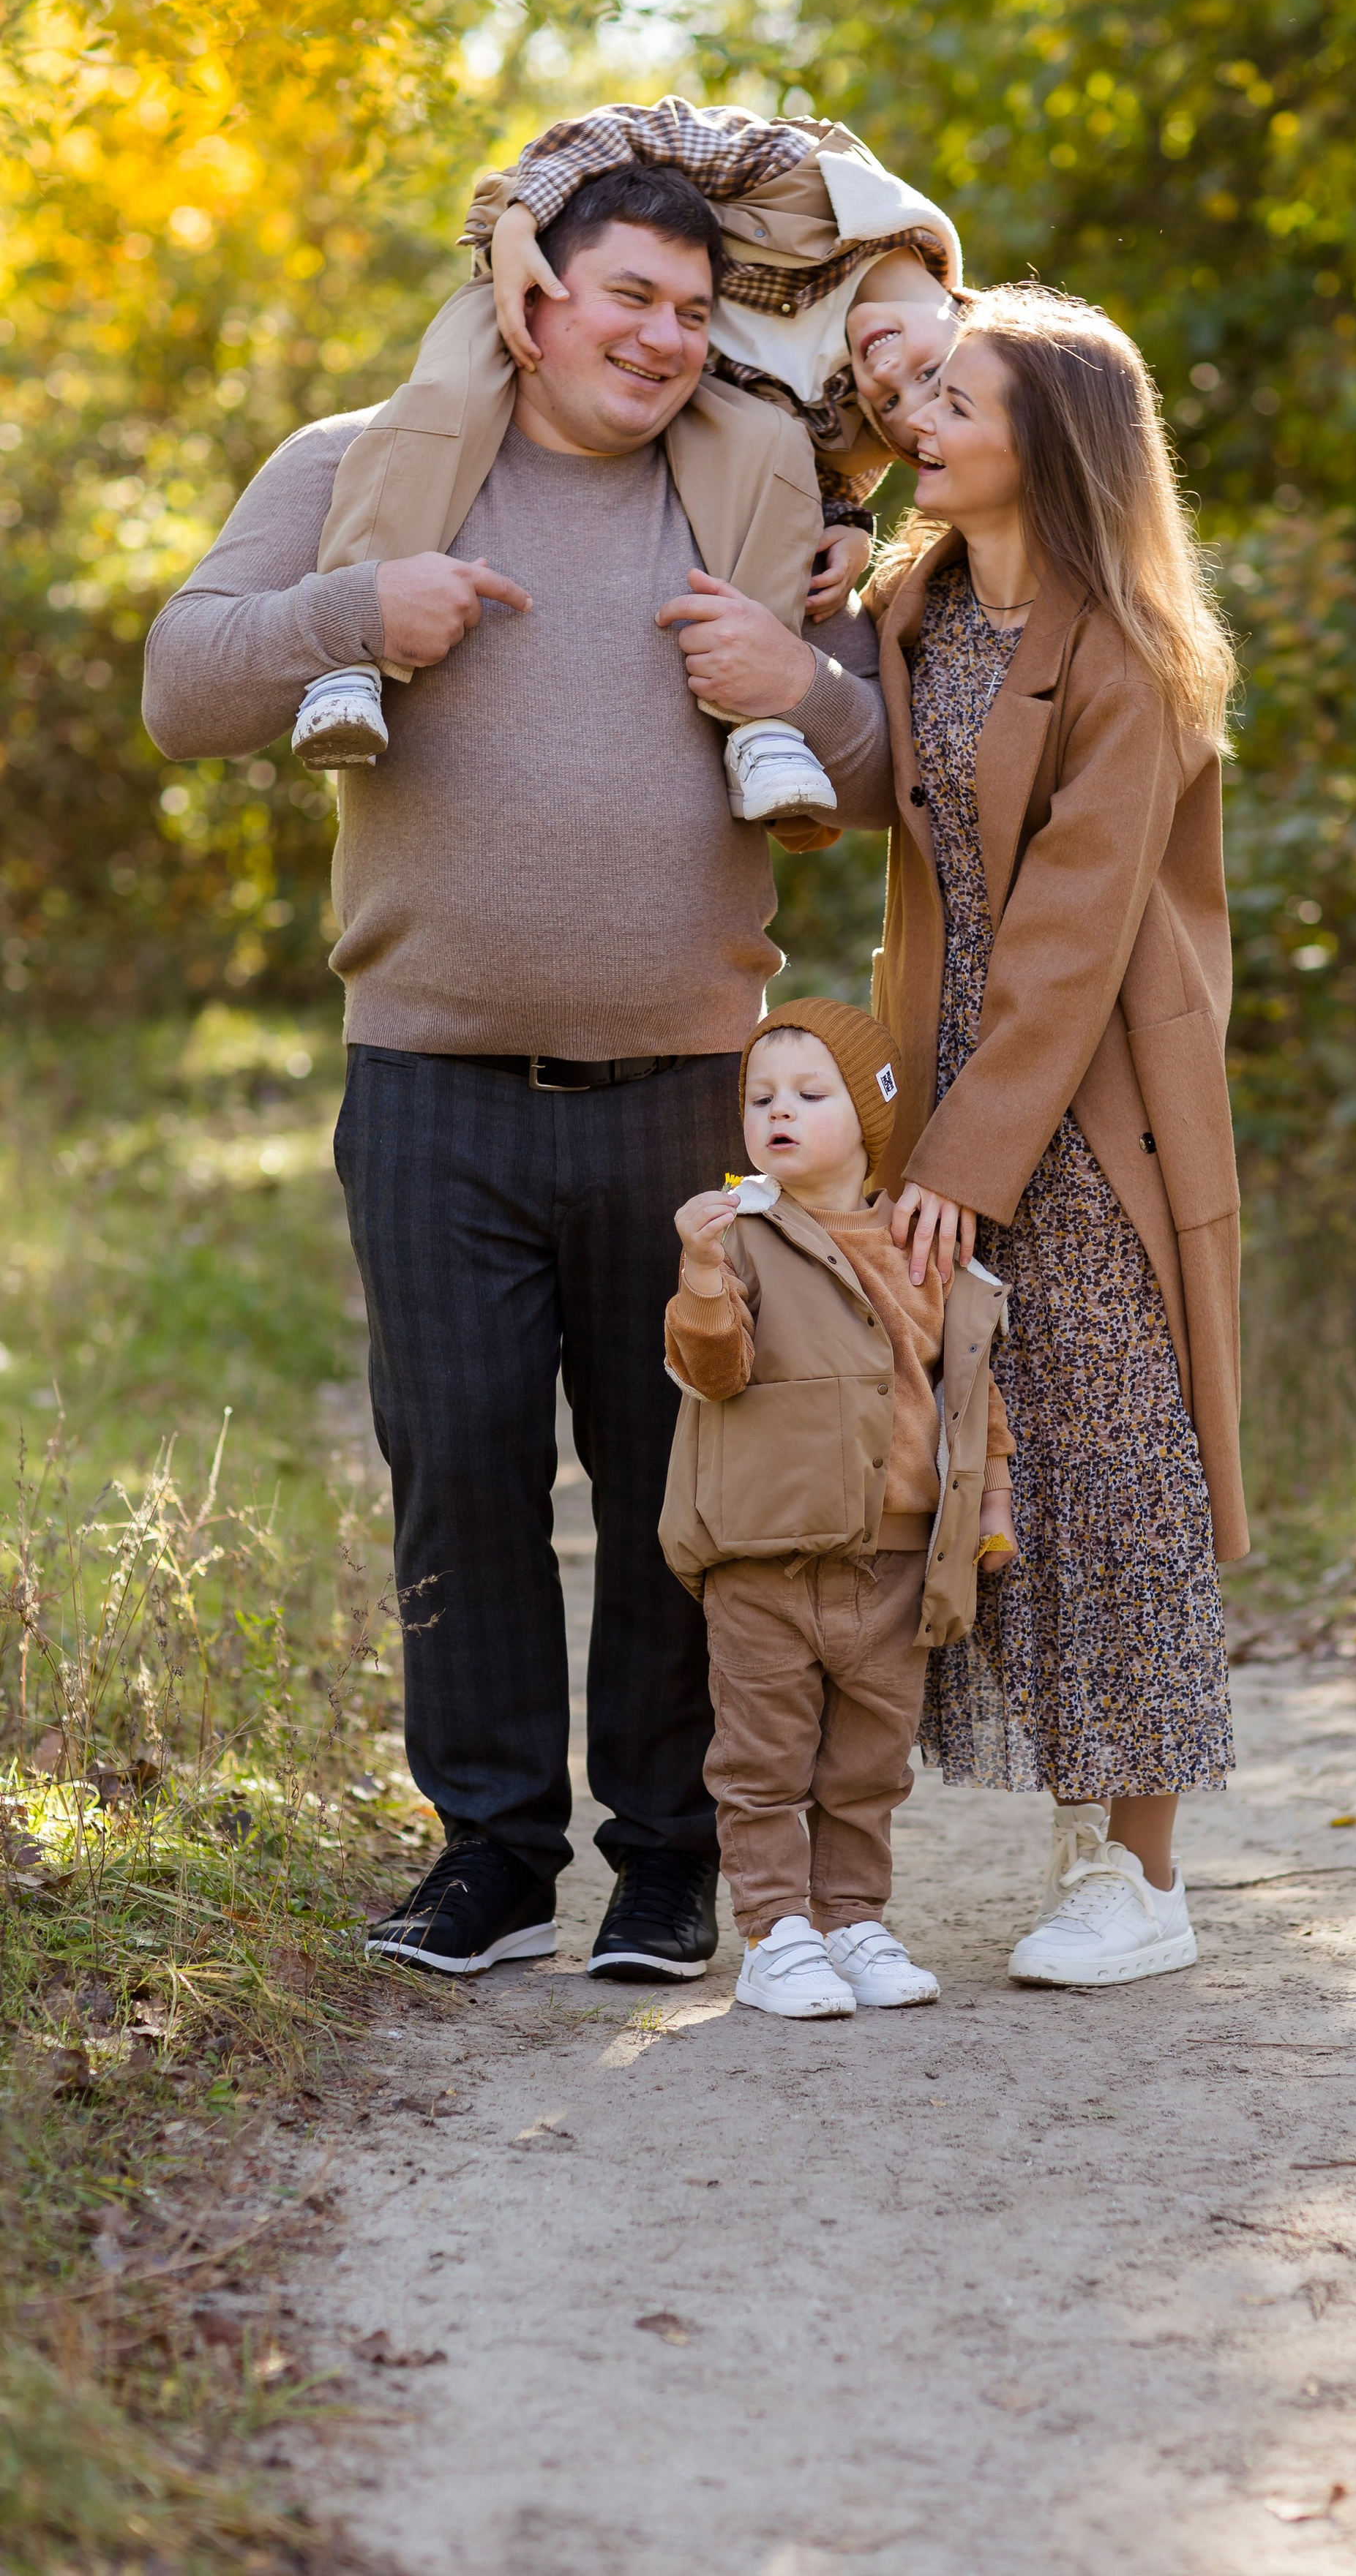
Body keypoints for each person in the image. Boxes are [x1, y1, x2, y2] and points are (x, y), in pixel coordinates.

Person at [143, 160, 896, 1985]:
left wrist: (796, 675)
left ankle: (666, 1859)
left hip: (681, 1093)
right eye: (625, 295)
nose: (659, 337)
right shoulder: (362, 460)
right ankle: (488, 1852)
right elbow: (179, 682)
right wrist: (351, 616)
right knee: (459, 1463)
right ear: (527, 295)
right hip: (430, 1078)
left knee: (675, 1473)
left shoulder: (757, 496)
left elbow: (878, 776)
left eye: (691, 312)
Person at [868, 283, 1252, 1989]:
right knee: (982, 1453)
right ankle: (1070, 1846)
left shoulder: (1133, 651)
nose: (919, 417)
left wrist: (967, 1158)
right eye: (924, 390)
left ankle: (1141, 1878)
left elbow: (1072, 934)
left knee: (1112, 1467)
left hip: (1083, 1104)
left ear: (1054, 446)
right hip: (941, 1081)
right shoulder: (914, 603)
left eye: (958, 399)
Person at [291, 97, 967, 824]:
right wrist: (520, 222)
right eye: (930, 378)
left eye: (893, 410)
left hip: (669, 383)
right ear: (969, 310)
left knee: (768, 448)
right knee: (450, 394)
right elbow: (632, 131)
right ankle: (349, 662)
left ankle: (758, 730)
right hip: (531, 267)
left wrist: (847, 527)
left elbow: (823, 477)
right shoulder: (823, 184)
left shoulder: (850, 406)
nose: (887, 380)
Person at [659, 997, 1015, 2020]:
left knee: (867, 1766)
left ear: (869, 1117)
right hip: (764, 1557)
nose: (780, 1112)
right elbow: (711, 1370)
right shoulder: (741, 1236)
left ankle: (852, 1919)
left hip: (896, 1562)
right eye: (761, 1097)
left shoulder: (921, 1244)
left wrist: (994, 1502)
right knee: (761, 1762)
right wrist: (697, 1271)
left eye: (812, 1095)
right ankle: (777, 1935)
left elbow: (971, 1389)